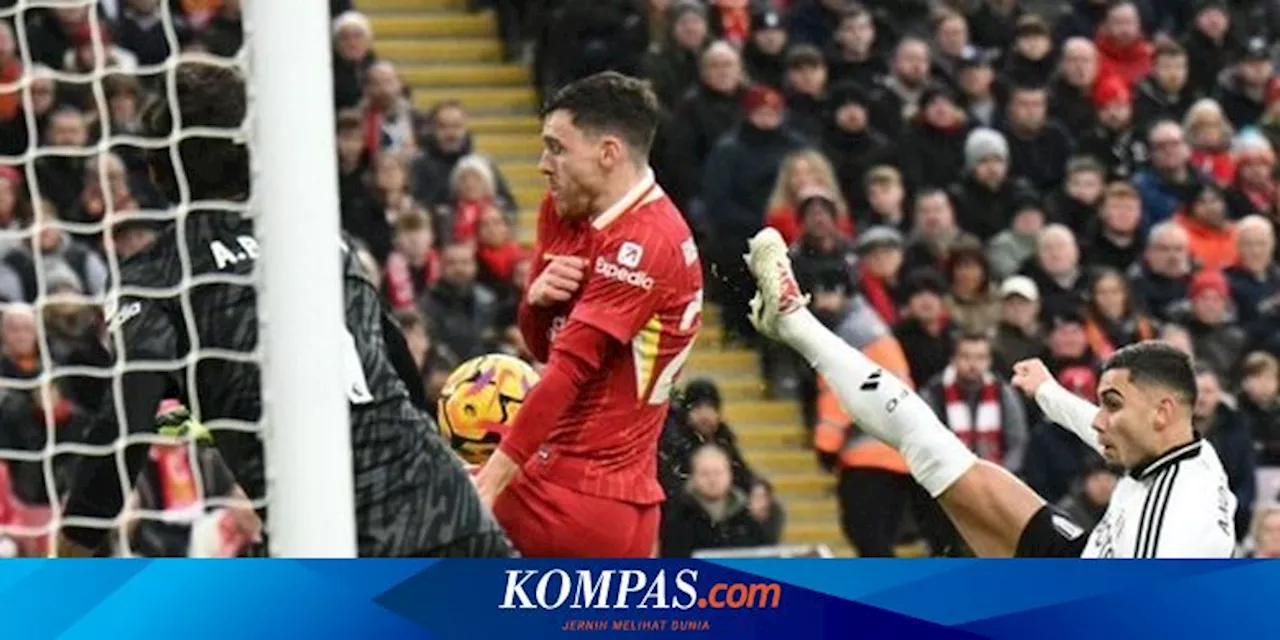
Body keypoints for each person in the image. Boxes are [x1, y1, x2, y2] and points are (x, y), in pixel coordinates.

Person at [57, 63, 511, 558]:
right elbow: (399, 365)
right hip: (451, 510)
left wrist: (72, 548)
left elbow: (122, 428)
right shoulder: (322, 239)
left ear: (155, 167)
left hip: (336, 543)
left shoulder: (160, 274)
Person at [743, 226, 1237, 557]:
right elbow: (1100, 429)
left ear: (1163, 410)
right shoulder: (1184, 451)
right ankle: (794, 322)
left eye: (1112, 405)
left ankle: (794, 324)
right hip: (1087, 563)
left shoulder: (1174, 522)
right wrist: (1047, 394)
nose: (1100, 420)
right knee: (938, 452)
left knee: (932, 450)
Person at [476, 72, 703, 558]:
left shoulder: (644, 243)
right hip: (595, 495)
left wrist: (489, 482)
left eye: (557, 148)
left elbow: (566, 372)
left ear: (608, 153)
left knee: (399, 504)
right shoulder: (565, 209)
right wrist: (535, 302)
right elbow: (543, 345)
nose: (543, 164)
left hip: (575, 500)